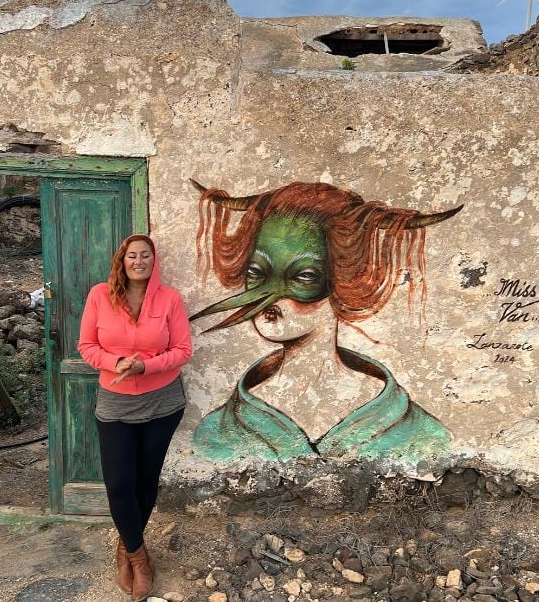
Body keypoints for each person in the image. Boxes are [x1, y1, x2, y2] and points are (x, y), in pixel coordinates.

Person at [189, 180, 461, 467]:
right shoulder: (217, 433)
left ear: (343, 283)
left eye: (304, 276)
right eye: (257, 272)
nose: (270, 300)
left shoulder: (417, 433)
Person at [78, 234, 192, 602]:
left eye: (145, 255)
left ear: (153, 261)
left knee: (146, 479)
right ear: (122, 260)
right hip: (114, 401)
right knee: (119, 484)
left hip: (163, 402)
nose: (138, 260)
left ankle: (129, 549)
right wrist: (115, 363)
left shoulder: (169, 299)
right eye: (132, 255)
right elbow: (86, 346)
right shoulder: (100, 295)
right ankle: (139, 556)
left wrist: (146, 365)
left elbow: (183, 349)